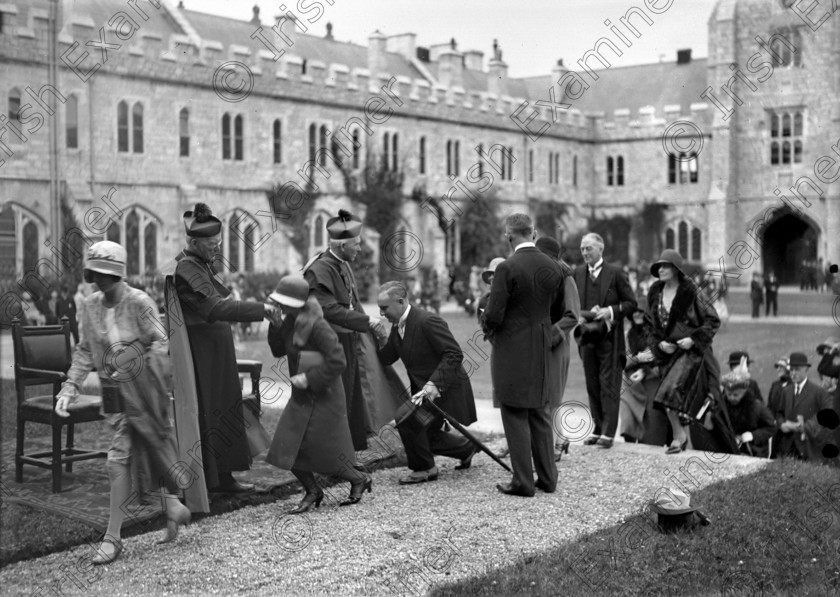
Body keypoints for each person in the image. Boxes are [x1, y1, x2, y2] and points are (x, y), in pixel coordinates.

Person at [54, 241, 191, 565]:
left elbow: (161, 342)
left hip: (144, 393)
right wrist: (69, 388)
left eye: (107, 274)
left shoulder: (140, 301)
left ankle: (113, 538)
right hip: (113, 395)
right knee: (145, 449)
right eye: (95, 273)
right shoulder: (88, 305)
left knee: (117, 458)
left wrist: (133, 360)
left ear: (119, 274)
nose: (100, 280)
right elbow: (86, 350)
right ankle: (172, 505)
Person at [170, 203, 276, 495]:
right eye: (211, 244)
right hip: (203, 358)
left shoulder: (200, 265)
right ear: (193, 243)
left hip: (216, 354)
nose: (217, 249)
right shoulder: (186, 269)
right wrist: (260, 309)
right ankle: (213, 480)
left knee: (225, 411)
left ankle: (224, 477)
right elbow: (214, 307)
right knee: (212, 413)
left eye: (219, 243)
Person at [265, 276, 371, 512]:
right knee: (286, 447)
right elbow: (278, 350)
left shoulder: (319, 325)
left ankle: (358, 479)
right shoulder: (291, 321)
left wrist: (309, 379)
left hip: (325, 395)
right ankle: (313, 490)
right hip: (302, 396)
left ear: (297, 303)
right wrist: (275, 325)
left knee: (328, 450)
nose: (279, 306)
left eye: (283, 302)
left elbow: (338, 360)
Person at [483, 213, 564, 497]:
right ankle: (548, 478)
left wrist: (488, 325)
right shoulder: (552, 265)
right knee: (540, 412)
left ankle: (523, 482)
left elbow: (494, 314)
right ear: (533, 232)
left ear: (509, 235)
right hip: (541, 344)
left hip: (512, 348)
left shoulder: (507, 267)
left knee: (515, 413)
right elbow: (556, 310)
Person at [302, 209, 395, 451]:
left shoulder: (343, 264)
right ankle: (333, 453)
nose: (360, 248)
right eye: (356, 244)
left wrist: (369, 323)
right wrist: (367, 323)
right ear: (342, 245)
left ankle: (347, 452)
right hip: (331, 344)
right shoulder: (320, 269)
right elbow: (329, 310)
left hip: (349, 340)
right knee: (337, 400)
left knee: (352, 398)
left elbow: (353, 303)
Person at [375, 281, 478, 484]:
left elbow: (453, 354)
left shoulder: (427, 321)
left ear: (401, 301)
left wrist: (433, 384)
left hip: (445, 390)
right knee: (427, 435)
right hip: (425, 393)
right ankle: (466, 448)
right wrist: (379, 337)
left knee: (407, 419)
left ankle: (425, 469)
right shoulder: (398, 327)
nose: (381, 313)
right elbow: (387, 358)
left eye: (384, 308)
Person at [636, 249, 721, 454]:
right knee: (671, 399)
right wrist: (658, 345)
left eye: (665, 266)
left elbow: (713, 320)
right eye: (659, 267)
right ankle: (682, 440)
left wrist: (693, 340)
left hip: (689, 353)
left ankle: (679, 437)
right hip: (667, 354)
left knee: (667, 394)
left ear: (675, 269)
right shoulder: (655, 292)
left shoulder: (691, 291)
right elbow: (649, 325)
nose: (661, 270)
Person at [574, 232, 637, 448]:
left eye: (588, 248)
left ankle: (608, 434)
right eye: (582, 248)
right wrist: (581, 314)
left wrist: (609, 311)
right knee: (592, 384)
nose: (585, 252)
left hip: (610, 341)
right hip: (586, 338)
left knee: (608, 386)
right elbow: (572, 305)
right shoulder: (577, 273)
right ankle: (597, 428)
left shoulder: (615, 273)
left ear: (600, 249)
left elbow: (631, 303)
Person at [535, 236, 580, 460]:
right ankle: (560, 439)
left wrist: (548, 336)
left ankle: (556, 443)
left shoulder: (565, 278)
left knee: (552, 394)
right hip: (536, 344)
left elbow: (573, 315)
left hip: (556, 343)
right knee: (541, 396)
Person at [619, 307, 669, 446]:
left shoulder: (657, 336)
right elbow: (622, 360)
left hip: (652, 383)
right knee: (628, 422)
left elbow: (664, 361)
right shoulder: (626, 335)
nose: (637, 314)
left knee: (652, 435)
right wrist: (637, 359)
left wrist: (645, 371)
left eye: (641, 311)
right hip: (630, 386)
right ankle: (630, 453)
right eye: (634, 311)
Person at [773, 352, 835, 463]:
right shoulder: (787, 391)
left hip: (809, 448)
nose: (793, 373)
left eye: (797, 369)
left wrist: (806, 427)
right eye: (791, 369)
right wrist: (782, 424)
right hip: (787, 447)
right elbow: (779, 413)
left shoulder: (818, 392)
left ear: (806, 370)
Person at [720, 359, 776, 458]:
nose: (731, 398)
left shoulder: (757, 407)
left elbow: (771, 428)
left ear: (744, 392)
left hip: (753, 453)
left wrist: (753, 435)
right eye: (729, 395)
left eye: (736, 395)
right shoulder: (722, 407)